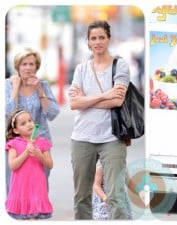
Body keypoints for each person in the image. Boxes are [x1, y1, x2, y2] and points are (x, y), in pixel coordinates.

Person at [68, 20, 130, 220]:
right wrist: (105, 96)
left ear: (109, 39)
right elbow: (73, 104)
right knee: (81, 195)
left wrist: (86, 100)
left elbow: (118, 100)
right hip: (82, 137)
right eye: (93, 38)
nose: (97, 42)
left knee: (116, 194)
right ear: (87, 42)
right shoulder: (81, 69)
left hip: (111, 138)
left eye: (101, 37)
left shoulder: (120, 65)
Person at [5, 47, 60, 193]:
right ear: (18, 66)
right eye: (24, 64)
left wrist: (40, 91)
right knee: (16, 186)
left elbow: (53, 114)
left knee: (39, 186)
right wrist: (15, 89)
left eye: (31, 64)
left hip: (39, 144)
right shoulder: (7, 85)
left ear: (37, 66)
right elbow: (8, 114)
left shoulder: (43, 86)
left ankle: (36, 215)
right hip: (16, 145)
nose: (28, 68)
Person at [5, 109, 53, 219]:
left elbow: (50, 165)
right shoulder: (14, 144)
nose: (29, 124)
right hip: (21, 188)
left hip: (37, 187)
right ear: (16, 130)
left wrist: (38, 154)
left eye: (30, 120)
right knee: (22, 218)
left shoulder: (42, 142)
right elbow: (12, 166)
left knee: (35, 218)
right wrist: (26, 152)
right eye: (23, 123)